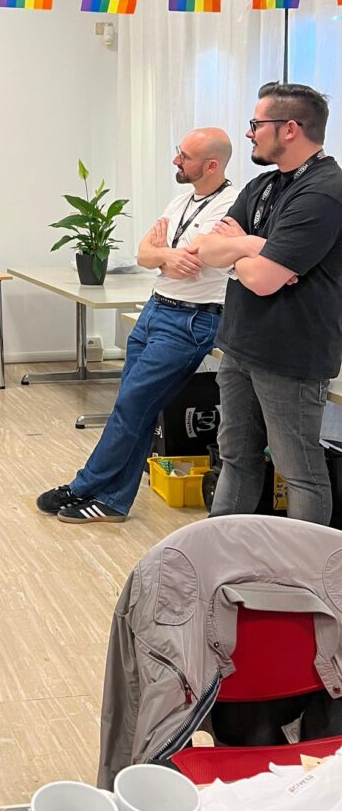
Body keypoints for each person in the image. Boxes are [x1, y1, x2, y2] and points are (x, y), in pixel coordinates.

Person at [36, 128, 234, 524]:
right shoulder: (181, 201)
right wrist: (164, 256)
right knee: (136, 408)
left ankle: (85, 487)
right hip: (156, 309)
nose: (176, 161)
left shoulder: (232, 204)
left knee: (132, 406)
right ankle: (112, 498)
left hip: (191, 319)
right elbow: (144, 254)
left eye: (185, 156)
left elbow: (196, 258)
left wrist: (163, 253)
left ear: (212, 165)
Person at [192, 83, 342, 525]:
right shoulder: (262, 184)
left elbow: (263, 281)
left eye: (256, 124)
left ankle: (303, 563)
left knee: (299, 471)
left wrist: (242, 252)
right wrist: (255, 247)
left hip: (291, 355)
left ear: (290, 129)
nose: (249, 133)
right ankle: (222, 550)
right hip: (241, 345)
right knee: (236, 458)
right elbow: (206, 248)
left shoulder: (324, 192)